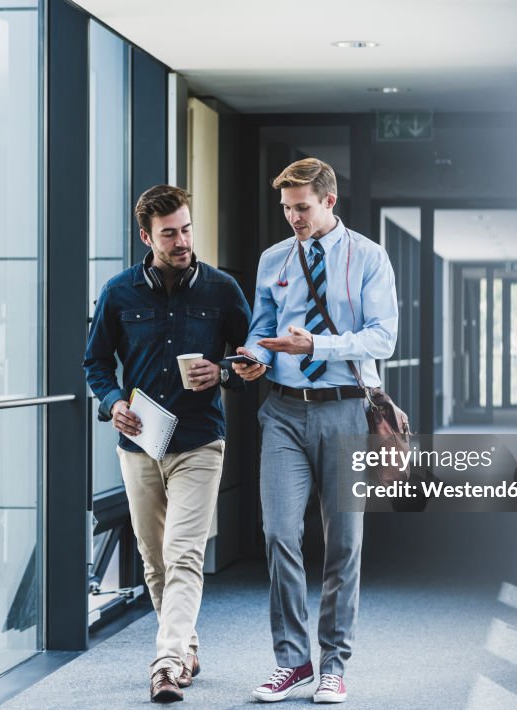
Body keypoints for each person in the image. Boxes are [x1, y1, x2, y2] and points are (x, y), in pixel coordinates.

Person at [233, 158, 398, 704]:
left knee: (343, 544)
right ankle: (292, 661)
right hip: (282, 411)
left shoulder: (369, 257)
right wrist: (254, 357)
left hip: (347, 410)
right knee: (280, 533)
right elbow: (261, 329)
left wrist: (318, 347)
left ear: (329, 201)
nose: (293, 218)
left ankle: (334, 662)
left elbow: (382, 339)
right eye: (285, 208)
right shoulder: (274, 259)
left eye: (301, 207)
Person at [83, 185, 252, 703]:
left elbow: (251, 362)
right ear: (146, 237)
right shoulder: (118, 292)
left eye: (185, 229)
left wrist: (221, 370)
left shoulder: (222, 290)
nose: (181, 241)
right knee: (154, 559)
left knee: (183, 555)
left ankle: (164, 662)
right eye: (168, 234)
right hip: (139, 446)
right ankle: (186, 646)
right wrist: (113, 403)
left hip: (200, 441)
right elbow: (95, 364)